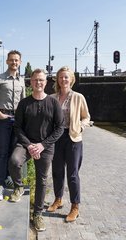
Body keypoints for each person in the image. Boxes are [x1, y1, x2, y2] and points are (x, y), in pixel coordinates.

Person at [8, 69, 64, 231]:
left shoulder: (53, 103)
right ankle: (18, 186)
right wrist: (29, 145)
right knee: (14, 161)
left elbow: (59, 128)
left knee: (42, 179)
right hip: (26, 144)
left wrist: (42, 145)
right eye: (35, 80)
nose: (38, 83)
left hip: (45, 146)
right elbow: (17, 128)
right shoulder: (24, 103)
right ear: (30, 82)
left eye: (41, 80)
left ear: (46, 83)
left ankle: (37, 215)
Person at [47, 66, 91, 222]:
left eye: (66, 77)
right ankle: (58, 199)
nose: (63, 80)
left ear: (71, 79)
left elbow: (86, 117)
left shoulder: (78, 97)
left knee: (72, 174)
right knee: (57, 171)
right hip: (56, 138)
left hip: (73, 138)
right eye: (61, 77)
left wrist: (80, 126)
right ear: (57, 80)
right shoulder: (51, 98)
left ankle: (75, 207)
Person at [0, 50, 26, 201]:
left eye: (17, 60)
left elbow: (23, 102)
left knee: (13, 152)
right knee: (2, 153)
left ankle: (9, 177)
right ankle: (0, 186)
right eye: (11, 60)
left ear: (20, 62)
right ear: (7, 61)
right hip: (3, 118)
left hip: (18, 119)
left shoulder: (22, 81)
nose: (14, 62)